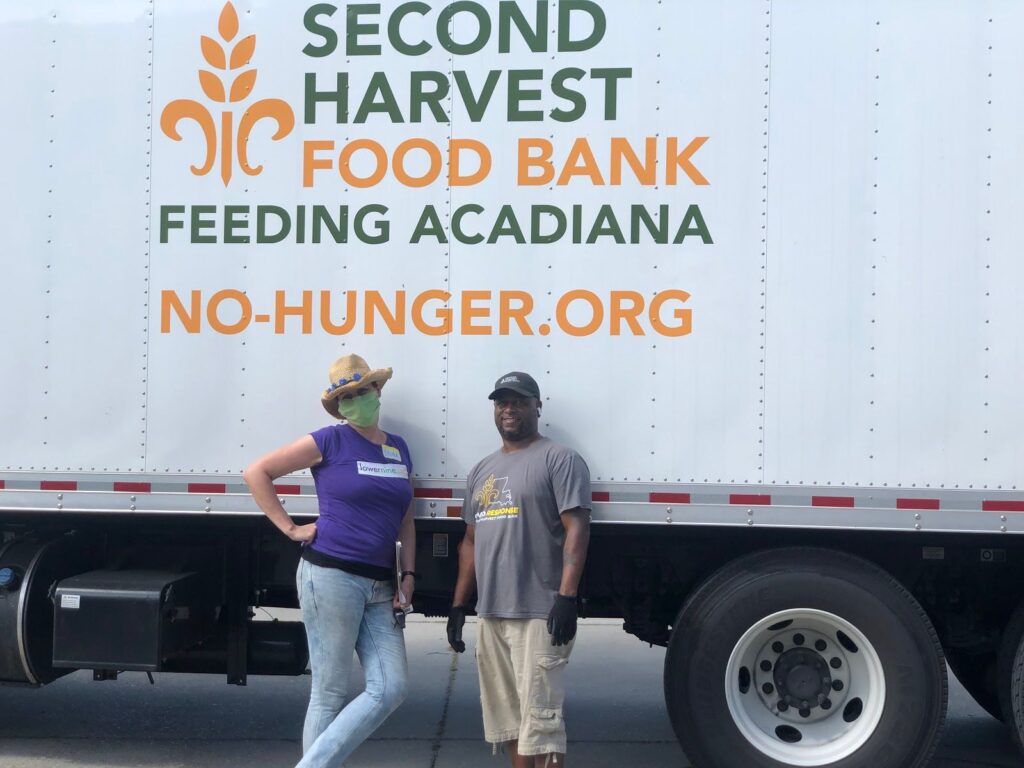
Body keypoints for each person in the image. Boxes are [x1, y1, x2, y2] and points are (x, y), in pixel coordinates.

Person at [243, 353, 416, 768]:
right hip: (331, 575)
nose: (357, 399)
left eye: (363, 390)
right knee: (329, 692)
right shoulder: (329, 440)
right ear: (339, 406)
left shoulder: (398, 448)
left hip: (381, 586)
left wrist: (408, 574)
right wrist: (291, 528)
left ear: (378, 391)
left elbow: (405, 517)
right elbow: (257, 472)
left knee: (391, 687)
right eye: (347, 396)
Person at [447, 371, 591, 767]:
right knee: (509, 722)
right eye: (502, 402)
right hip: (492, 614)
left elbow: (577, 528)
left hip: (539, 613)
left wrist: (566, 598)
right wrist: (459, 605)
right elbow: (471, 541)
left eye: (519, 401)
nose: (509, 409)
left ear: (537, 406)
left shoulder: (559, 459)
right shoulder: (482, 470)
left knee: (541, 724)